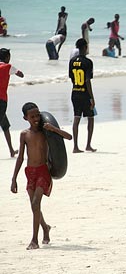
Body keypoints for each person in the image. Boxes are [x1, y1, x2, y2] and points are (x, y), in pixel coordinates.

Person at [11, 102, 72, 250]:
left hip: (43, 171)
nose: (36, 118)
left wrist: (53, 129)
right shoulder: (24, 134)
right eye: (32, 116)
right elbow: (20, 158)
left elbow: (69, 137)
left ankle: (34, 240)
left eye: (37, 115)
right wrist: (14, 179)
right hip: (30, 172)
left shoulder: (46, 131)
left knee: (35, 203)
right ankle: (45, 228)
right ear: (25, 118)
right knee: (34, 206)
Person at [69, 38, 97, 153]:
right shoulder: (88, 62)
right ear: (85, 47)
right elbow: (87, 81)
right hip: (85, 94)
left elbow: (71, 78)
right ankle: (88, 145)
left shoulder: (72, 61)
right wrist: (92, 97)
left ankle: (75, 146)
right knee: (90, 118)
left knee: (76, 118)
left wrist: (77, 87)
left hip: (75, 92)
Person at [0, 48, 24, 157]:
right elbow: (21, 74)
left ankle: (11, 151)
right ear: (7, 57)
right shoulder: (8, 67)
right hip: (2, 100)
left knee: (5, 126)